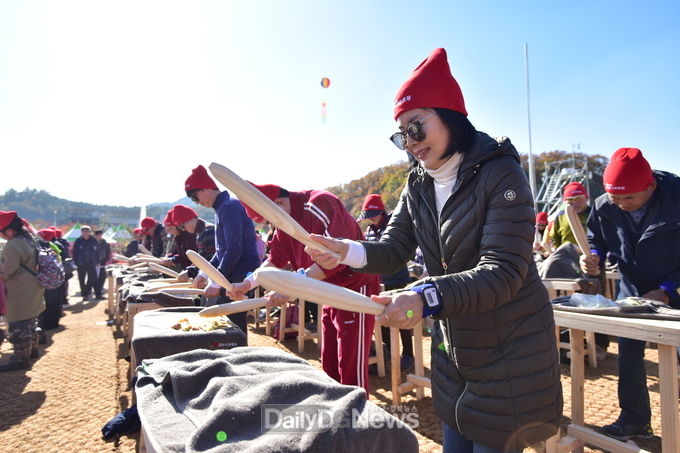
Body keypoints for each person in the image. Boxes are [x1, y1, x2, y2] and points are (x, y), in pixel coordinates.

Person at [305, 48, 562, 452]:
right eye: (400, 135)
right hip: (453, 349)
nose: (409, 143)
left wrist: (425, 296)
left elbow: (504, 271)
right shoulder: (418, 184)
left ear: (450, 115)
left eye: (415, 127)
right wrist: (346, 251)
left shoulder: (500, 173)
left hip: (510, 350)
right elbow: (393, 248)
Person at [228, 182, 381, 394]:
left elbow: (334, 258)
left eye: (269, 222)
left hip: (355, 288)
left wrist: (291, 288)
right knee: (328, 359)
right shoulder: (283, 224)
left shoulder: (319, 203)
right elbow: (274, 260)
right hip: (327, 291)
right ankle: (335, 408)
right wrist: (247, 283)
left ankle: (357, 416)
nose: (271, 229)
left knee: (350, 362)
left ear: (279, 203)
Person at [581, 147, 680, 441]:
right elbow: (594, 237)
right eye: (615, 198)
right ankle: (635, 421)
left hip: (674, 281)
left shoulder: (676, 196)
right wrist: (592, 255)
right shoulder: (603, 205)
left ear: (651, 186)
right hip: (633, 286)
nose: (621, 205)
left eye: (630, 198)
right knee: (629, 351)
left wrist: (667, 290)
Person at [183, 165, 260, 339]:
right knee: (229, 320)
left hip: (241, 269)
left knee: (232, 321)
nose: (196, 202)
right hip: (234, 268)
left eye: (195, 196)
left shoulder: (229, 207)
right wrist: (204, 273)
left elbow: (234, 249)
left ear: (207, 188)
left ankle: (240, 357)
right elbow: (222, 251)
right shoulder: (222, 207)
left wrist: (216, 282)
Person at [357, 193, 414, 371]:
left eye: (372, 215)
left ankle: (408, 354)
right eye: (368, 217)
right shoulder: (369, 231)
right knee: (382, 319)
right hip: (380, 281)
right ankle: (388, 350)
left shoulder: (394, 225)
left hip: (398, 279)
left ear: (380, 212)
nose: (370, 220)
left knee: (402, 317)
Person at [0, 211, 45, 371]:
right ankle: (32, 351)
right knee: (31, 322)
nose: (2, 236)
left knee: (19, 325)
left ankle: (20, 359)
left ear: (9, 231)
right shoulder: (28, 239)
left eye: (2, 233)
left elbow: (7, 271)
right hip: (32, 287)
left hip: (20, 290)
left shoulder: (13, 245)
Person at [548, 182, 590, 250]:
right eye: (570, 199)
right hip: (567, 256)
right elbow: (554, 238)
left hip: (592, 256)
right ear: (565, 201)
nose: (575, 202)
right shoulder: (560, 217)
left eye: (578, 198)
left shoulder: (594, 214)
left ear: (586, 198)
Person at [72, 225, 99, 301]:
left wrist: (97, 261)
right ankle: (84, 295)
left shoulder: (94, 240)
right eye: (83, 231)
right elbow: (74, 253)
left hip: (91, 263)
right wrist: (75, 262)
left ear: (90, 232)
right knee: (81, 279)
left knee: (91, 278)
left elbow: (97, 251)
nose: (85, 232)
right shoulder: (78, 241)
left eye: (87, 231)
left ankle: (88, 291)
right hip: (81, 263)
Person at [93, 230, 111, 299]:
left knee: (102, 276)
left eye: (100, 235)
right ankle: (97, 292)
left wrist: (106, 259)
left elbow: (108, 252)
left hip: (103, 262)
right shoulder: (92, 243)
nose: (99, 236)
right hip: (94, 263)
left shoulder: (105, 243)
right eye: (97, 235)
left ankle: (100, 290)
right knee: (94, 278)